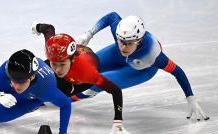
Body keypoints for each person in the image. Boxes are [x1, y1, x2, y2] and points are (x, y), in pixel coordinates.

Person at [75, 12, 209, 121]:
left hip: (140, 70)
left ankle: (66, 99)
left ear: (139, 41)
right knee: (86, 64)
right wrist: (89, 34)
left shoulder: (152, 54)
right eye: (121, 41)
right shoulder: (122, 35)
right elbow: (112, 16)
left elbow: (178, 72)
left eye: (128, 43)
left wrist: (190, 98)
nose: (123, 46)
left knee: (98, 82)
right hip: (120, 56)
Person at [32, 23, 135, 134]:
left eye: (61, 65)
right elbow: (48, 29)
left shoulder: (87, 73)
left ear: (72, 59)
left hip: (81, 77)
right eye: (54, 64)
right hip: (73, 58)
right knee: (37, 72)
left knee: (60, 93)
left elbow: (115, 90)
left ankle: (40, 100)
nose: (57, 69)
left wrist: (118, 120)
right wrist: (38, 27)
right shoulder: (54, 49)